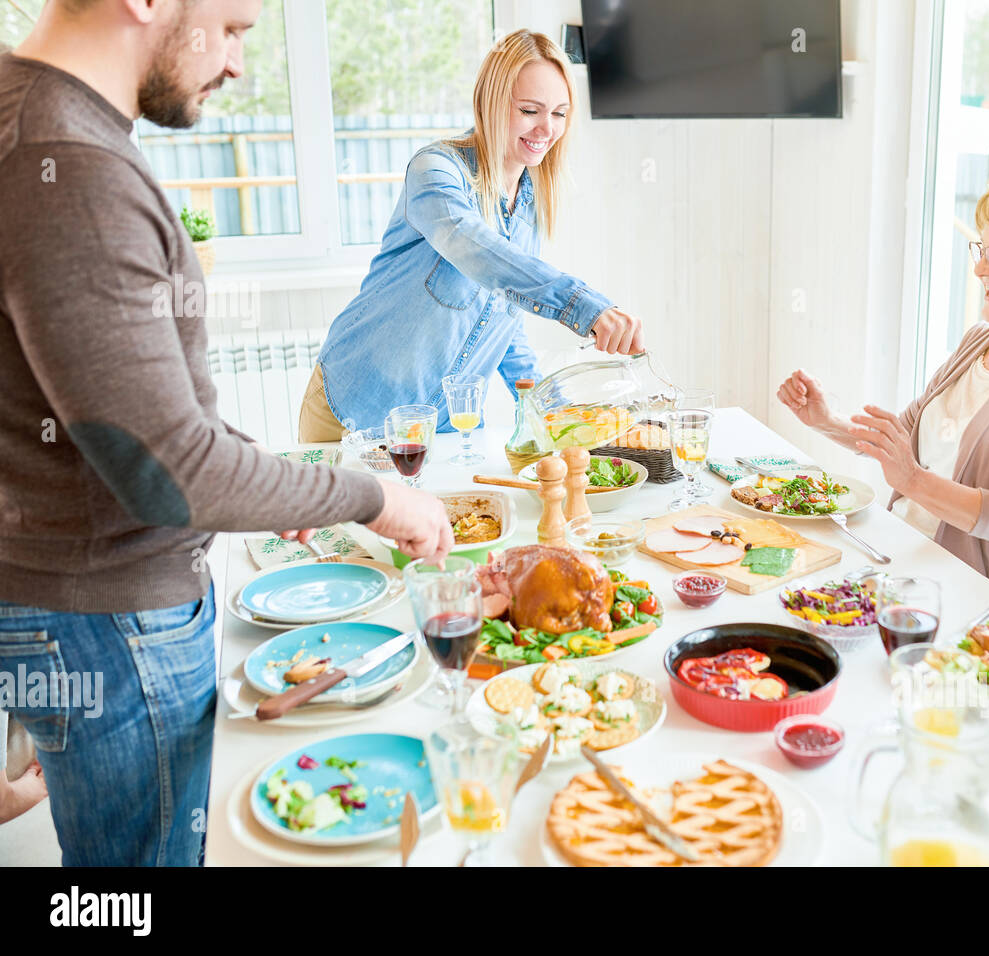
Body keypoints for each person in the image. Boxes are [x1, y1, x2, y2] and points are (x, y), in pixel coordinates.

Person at [0, 0, 454, 865]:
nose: (240, 62)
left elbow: (146, 406)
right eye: (237, 27)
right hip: (115, 617)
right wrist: (373, 495)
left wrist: (267, 474)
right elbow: (170, 470)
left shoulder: (29, 114)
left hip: (68, 604)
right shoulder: (73, 166)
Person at [778, 170, 989, 627]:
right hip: (901, 564)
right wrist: (825, 420)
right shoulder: (980, 340)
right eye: (981, 249)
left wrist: (914, 481)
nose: (979, 269)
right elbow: (905, 439)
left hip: (975, 608)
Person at [299, 29, 645, 441]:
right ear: (492, 102)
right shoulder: (436, 172)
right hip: (357, 412)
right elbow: (475, 249)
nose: (546, 129)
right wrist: (582, 306)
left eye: (559, 113)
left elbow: (504, 313)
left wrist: (549, 413)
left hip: (446, 427)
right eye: (530, 110)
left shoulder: (529, 201)